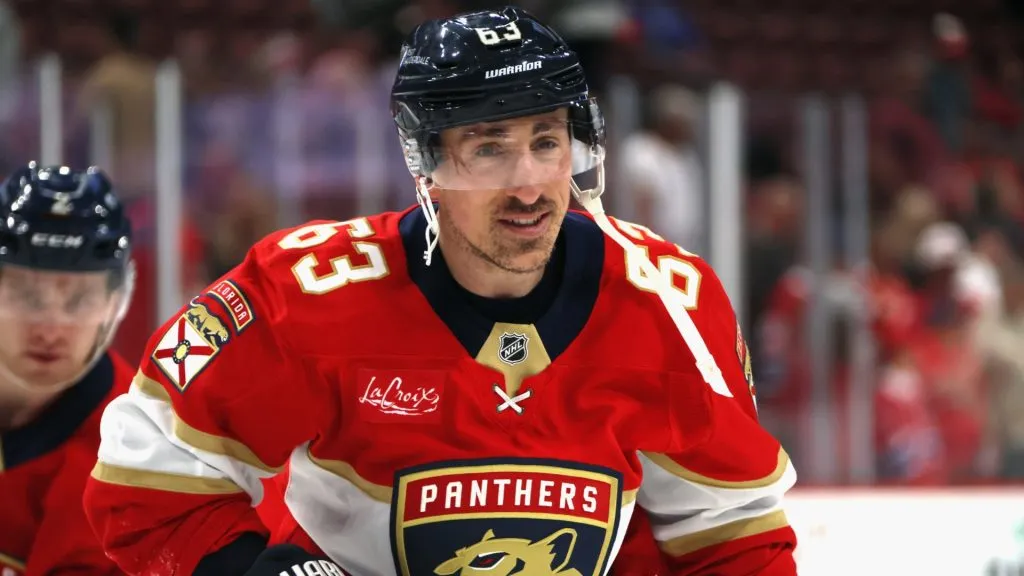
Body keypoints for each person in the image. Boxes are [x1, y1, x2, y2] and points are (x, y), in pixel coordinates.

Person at [84, 6, 798, 576]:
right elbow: (144, 483)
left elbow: (732, 539)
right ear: (424, 161)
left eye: (546, 141)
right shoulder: (306, 293)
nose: (527, 183)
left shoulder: (672, 302)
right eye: (489, 147)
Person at [0, 162, 135, 575]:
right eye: (25, 295)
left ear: (115, 302)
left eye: (78, 301)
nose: (51, 327)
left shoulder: (133, 449)